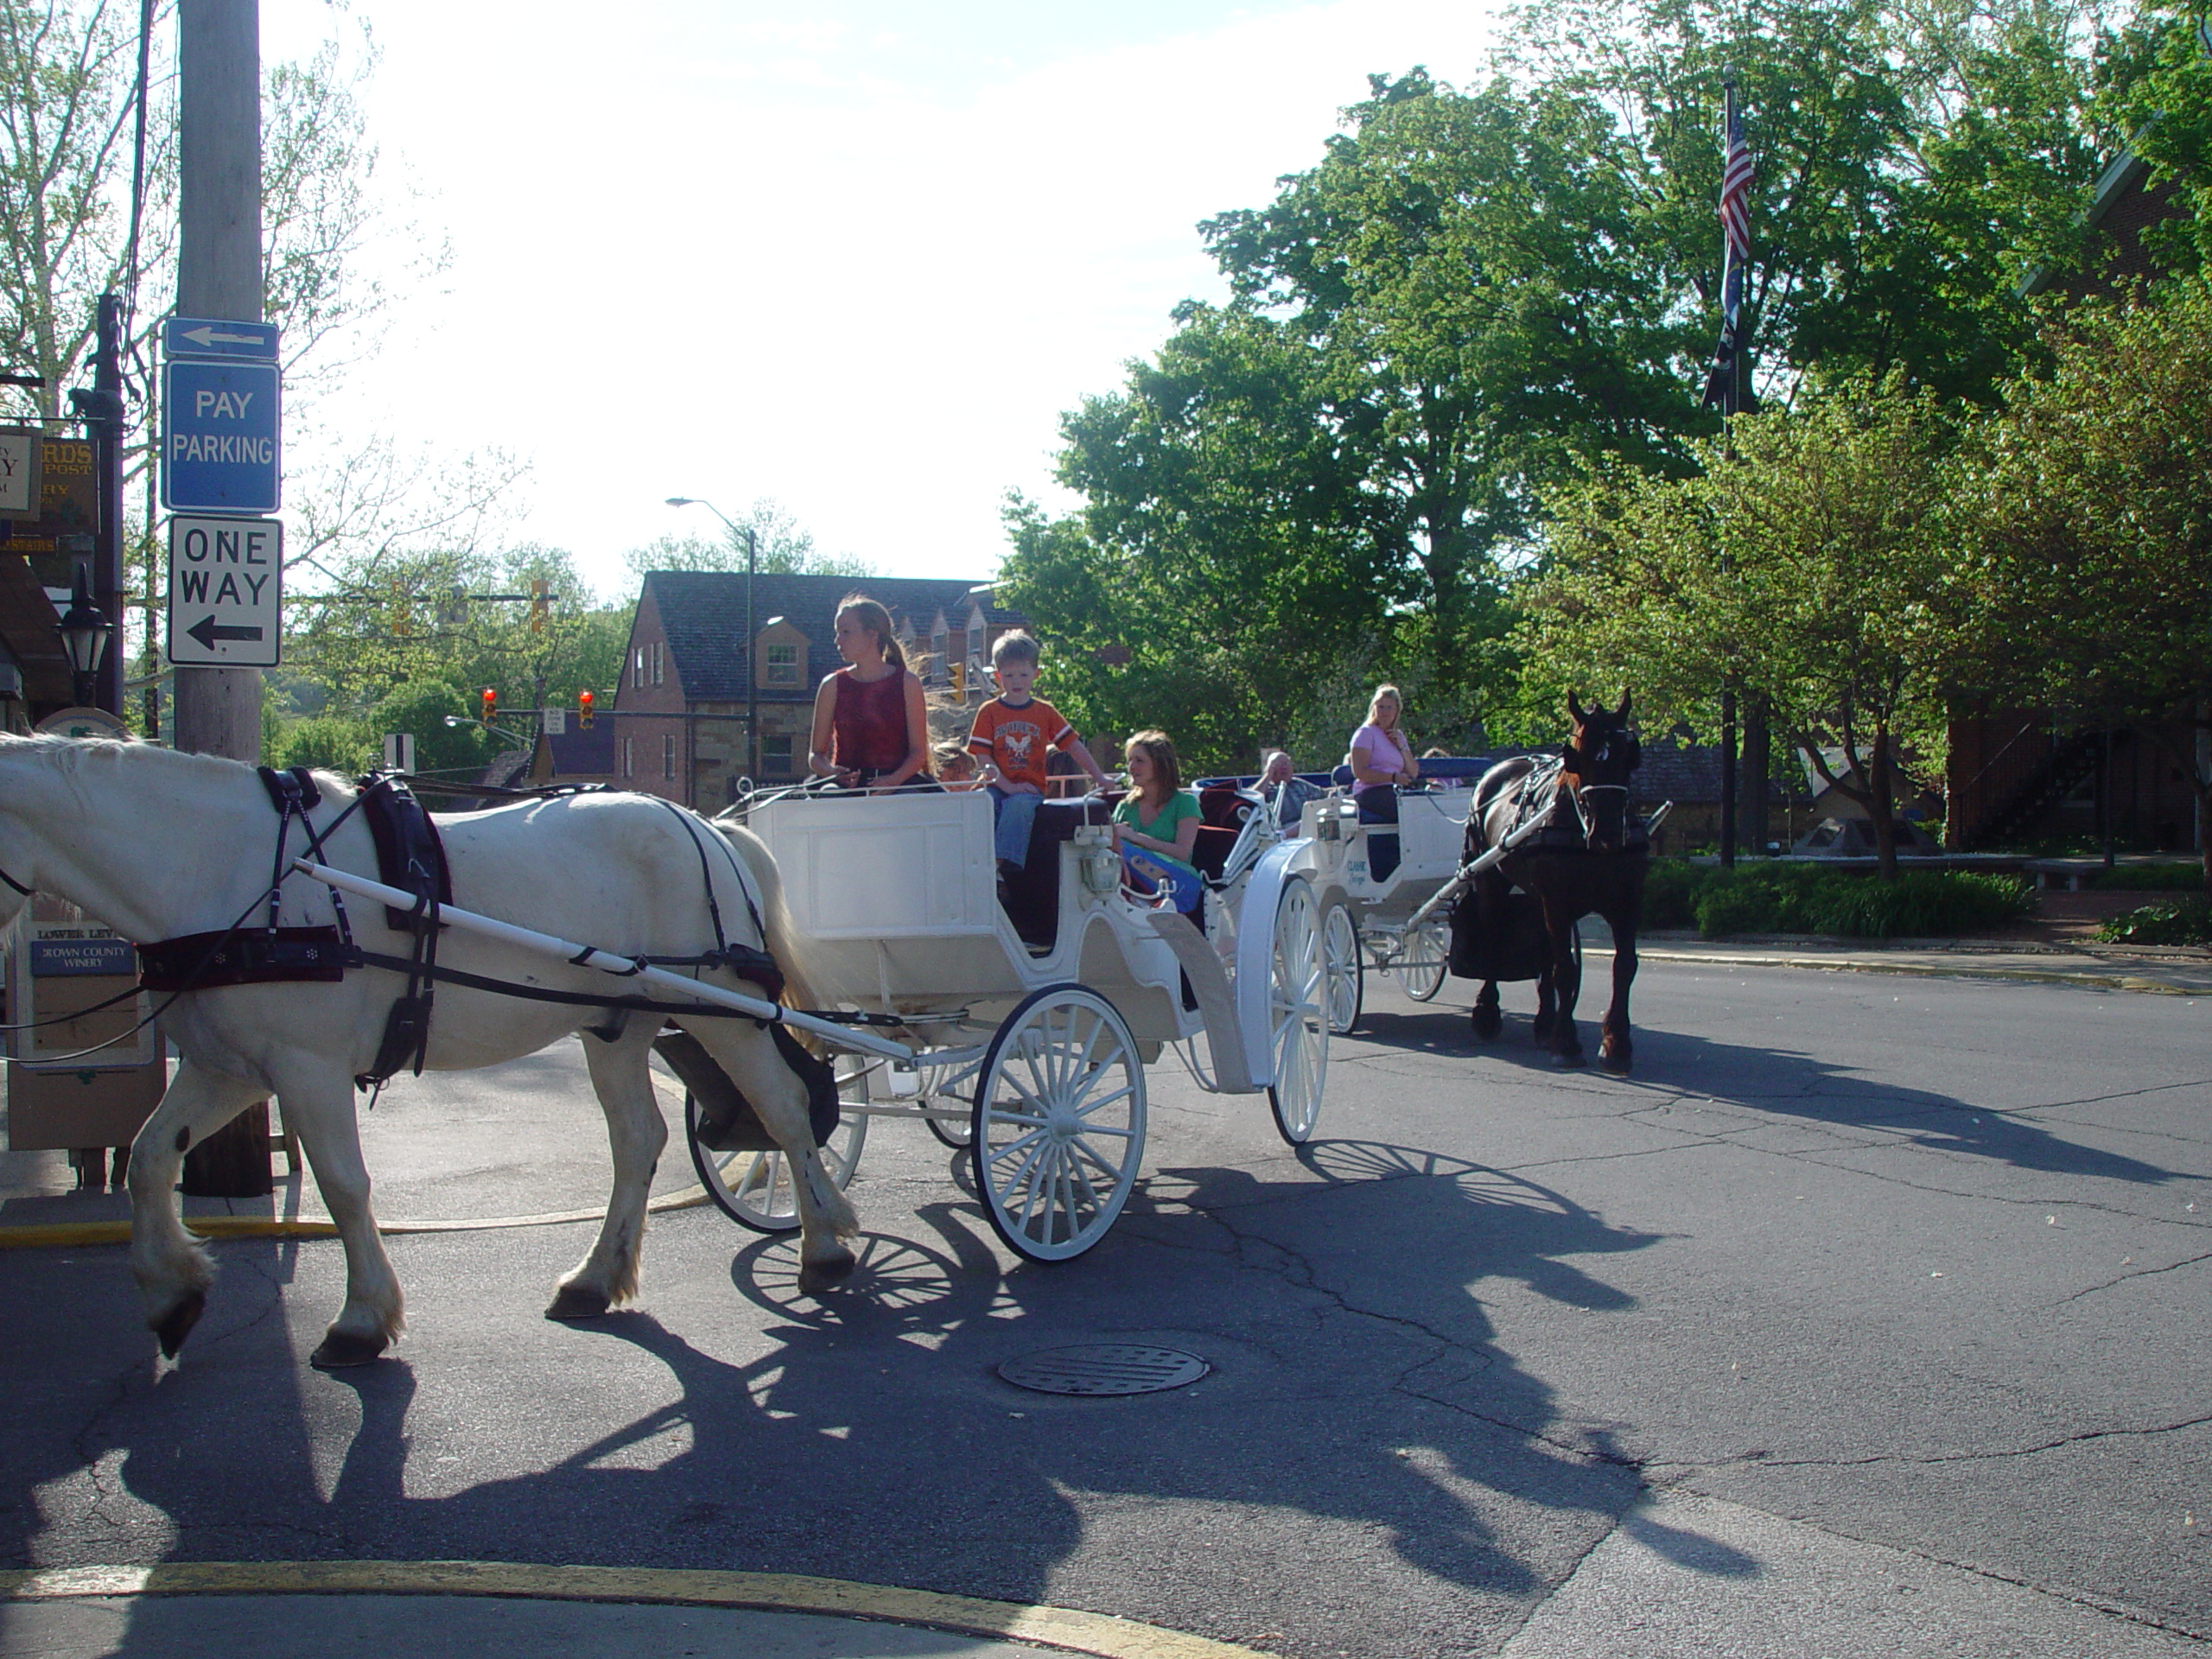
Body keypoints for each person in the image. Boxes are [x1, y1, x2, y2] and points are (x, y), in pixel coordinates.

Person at [967, 631, 1109, 868]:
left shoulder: (1044, 712)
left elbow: (1073, 745)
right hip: (996, 784)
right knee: (980, 803)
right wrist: (1006, 786)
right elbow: (983, 757)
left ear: (1036, 674)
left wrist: (1098, 776)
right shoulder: (989, 711)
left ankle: (1002, 867)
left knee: (1018, 805)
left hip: (1028, 788)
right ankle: (974, 863)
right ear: (998, 676)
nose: (1016, 681)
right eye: (1009, 675)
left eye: (1023, 674)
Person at [807, 594, 932, 791]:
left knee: (916, 804)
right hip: (846, 785)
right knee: (828, 797)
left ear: (873, 634)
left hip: (899, 783)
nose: (837, 640)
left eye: (846, 632)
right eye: (837, 632)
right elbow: (815, 755)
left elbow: (918, 753)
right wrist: (833, 774)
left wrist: (894, 780)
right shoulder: (831, 685)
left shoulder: (908, 683)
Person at [1113, 729, 1204, 917]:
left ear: (1160, 764)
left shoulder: (1185, 803)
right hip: (1129, 895)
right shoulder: (1125, 806)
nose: (1131, 767)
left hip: (1174, 892)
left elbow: (1182, 852)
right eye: (1129, 760)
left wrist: (1135, 837)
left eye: (1139, 760)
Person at [1347, 683, 1418, 880]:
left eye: (1389, 707)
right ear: (1374, 708)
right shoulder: (1365, 734)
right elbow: (1360, 771)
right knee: (1410, 811)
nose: (1385, 712)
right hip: (1371, 792)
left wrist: (1402, 746)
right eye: (1381, 706)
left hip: (1395, 790)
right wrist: (1393, 777)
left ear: (1397, 711)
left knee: (1424, 805)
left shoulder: (1398, 737)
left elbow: (1413, 772)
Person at [1260, 748, 1324, 833]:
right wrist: (1268, 775)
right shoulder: (1267, 788)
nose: (1284, 767)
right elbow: (1252, 799)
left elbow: (1322, 794)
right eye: (1279, 765)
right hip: (1280, 831)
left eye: (1286, 764)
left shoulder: (1299, 784)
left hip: (1306, 829)